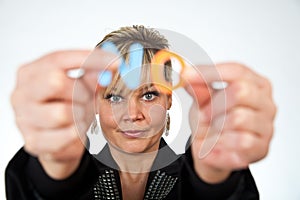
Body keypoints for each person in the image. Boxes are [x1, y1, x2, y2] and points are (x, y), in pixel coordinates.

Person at [5, 25, 276, 200]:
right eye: (113, 96)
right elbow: (41, 188)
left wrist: (215, 176)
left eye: (148, 95)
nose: (132, 114)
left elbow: (214, 191)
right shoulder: (68, 171)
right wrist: (54, 168)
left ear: (169, 99)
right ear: (94, 103)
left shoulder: (197, 176)